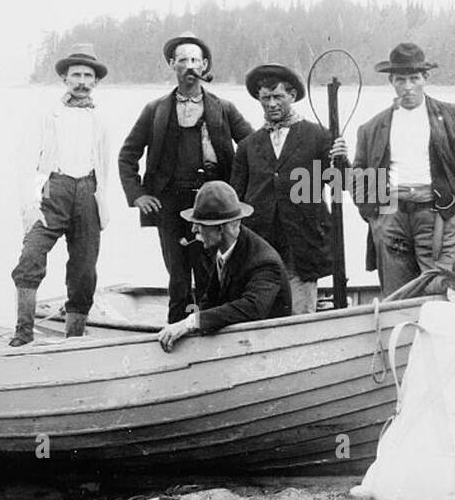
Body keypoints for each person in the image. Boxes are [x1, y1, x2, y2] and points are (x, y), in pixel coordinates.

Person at [118, 33, 254, 324]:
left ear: (204, 65)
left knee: (212, 271)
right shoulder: (155, 110)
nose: (190, 65)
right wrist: (138, 194)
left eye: (195, 60)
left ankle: (210, 327)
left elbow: (253, 147)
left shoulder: (224, 108)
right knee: (177, 276)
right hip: (169, 205)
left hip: (213, 206)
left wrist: (239, 192)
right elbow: (127, 155)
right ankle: (174, 331)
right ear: (172, 64)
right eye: (183, 60)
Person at [346, 42, 455, 296]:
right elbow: (358, 177)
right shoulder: (371, 127)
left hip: (440, 216)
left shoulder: (453, 116)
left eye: (414, 78)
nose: (408, 87)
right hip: (390, 217)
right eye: (400, 79)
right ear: (391, 81)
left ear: (425, 78)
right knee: (397, 296)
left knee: (444, 291)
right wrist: (373, 217)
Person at [9, 43, 112, 346]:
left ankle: (74, 340)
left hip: (87, 194)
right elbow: (26, 160)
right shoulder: (47, 115)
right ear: (65, 79)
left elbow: (104, 168)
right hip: (53, 189)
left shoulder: (101, 121)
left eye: (88, 76)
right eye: (76, 74)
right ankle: (23, 334)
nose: (81, 81)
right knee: (30, 256)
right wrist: (30, 205)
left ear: (95, 81)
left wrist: (100, 203)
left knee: (84, 270)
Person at [231, 63, 348, 314]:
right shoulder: (248, 145)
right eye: (265, 98)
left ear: (292, 96)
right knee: (264, 309)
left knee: (301, 312)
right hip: (261, 242)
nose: (272, 104)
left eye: (278, 97)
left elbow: (341, 182)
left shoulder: (317, 136)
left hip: (302, 241)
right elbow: (235, 198)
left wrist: (342, 158)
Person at [157, 181, 292, 352]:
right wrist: (186, 326)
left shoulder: (264, 261)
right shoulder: (224, 250)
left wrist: (190, 323)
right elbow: (210, 300)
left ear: (220, 229)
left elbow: (252, 308)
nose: (193, 229)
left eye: (200, 224)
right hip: (243, 344)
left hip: (270, 348)